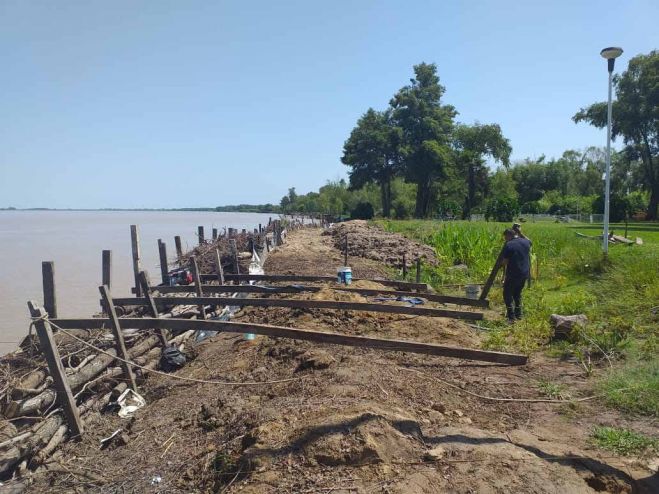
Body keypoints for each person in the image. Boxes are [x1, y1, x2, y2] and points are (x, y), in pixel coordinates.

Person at [501, 225, 532, 322]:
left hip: (513, 274)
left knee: (507, 294)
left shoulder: (509, 245)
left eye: (505, 238)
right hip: (524, 273)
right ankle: (519, 315)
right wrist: (520, 232)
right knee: (517, 294)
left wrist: (500, 263)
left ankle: (511, 318)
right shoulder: (525, 242)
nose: (505, 240)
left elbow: (505, 262)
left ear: (508, 235)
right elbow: (530, 241)